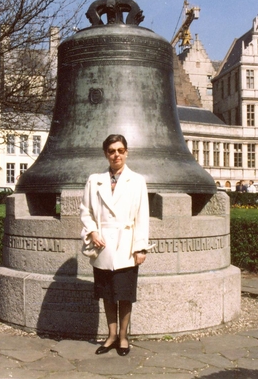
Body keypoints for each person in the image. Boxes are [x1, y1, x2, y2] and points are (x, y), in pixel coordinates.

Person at [80, 134, 153, 357]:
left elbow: (142, 216)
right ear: (106, 154)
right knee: (107, 295)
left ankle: (123, 337)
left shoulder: (137, 180)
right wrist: (93, 231)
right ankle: (111, 335)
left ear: (126, 152)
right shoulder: (95, 180)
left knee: (124, 295)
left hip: (126, 246)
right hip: (102, 247)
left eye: (120, 150)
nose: (116, 155)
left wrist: (140, 248)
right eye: (112, 151)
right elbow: (85, 210)